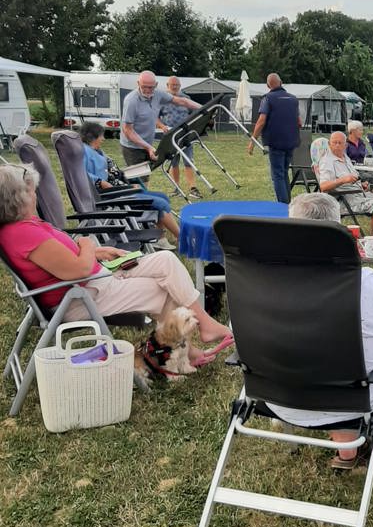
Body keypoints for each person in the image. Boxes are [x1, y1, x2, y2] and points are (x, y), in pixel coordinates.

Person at [0, 164, 230, 352]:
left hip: (94, 280)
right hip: (80, 297)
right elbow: (78, 269)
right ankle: (184, 352)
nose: (36, 194)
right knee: (161, 289)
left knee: (166, 261)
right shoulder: (24, 234)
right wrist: (88, 245)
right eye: (31, 190)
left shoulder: (24, 226)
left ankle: (201, 329)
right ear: (18, 197)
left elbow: (60, 258)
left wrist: (99, 252)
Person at [268, 192, 373, 471]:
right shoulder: (363, 283)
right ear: (339, 231)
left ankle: (346, 446)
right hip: (351, 398)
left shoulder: (261, 281)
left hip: (278, 396)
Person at [80, 121, 179, 248]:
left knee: (162, 197)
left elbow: (113, 172)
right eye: (101, 136)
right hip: (113, 195)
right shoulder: (84, 152)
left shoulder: (97, 150)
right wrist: (100, 182)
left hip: (123, 188)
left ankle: (159, 238)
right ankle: (181, 237)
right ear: (93, 137)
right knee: (161, 203)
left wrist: (129, 184)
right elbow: (81, 173)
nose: (103, 139)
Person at [120, 70, 200, 171]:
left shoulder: (158, 94)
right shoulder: (131, 101)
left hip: (147, 144)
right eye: (144, 86)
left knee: (145, 177)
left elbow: (181, 101)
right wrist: (148, 147)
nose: (148, 90)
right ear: (138, 83)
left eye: (151, 87)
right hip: (132, 147)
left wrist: (204, 108)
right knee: (138, 179)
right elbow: (127, 130)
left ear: (156, 85)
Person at [318, 131, 373, 231]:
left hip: (359, 193)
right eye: (334, 142)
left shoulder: (345, 158)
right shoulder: (327, 161)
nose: (337, 145)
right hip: (345, 199)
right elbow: (323, 186)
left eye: (340, 143)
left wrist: (361, 184)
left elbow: (353, 178)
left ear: (345, 145)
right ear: (329, 144)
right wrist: (342, 180)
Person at [248, 73, 300, 204]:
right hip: (291, 141)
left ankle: (282, 205)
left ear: (267, 85)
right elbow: (299, 122)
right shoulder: (293, 99)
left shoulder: (268, 98)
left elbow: (261, 121)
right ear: (281, 82)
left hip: (276, 142)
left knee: (277, 175)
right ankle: (288, 202)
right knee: (284, 172)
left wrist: (253, 140)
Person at [160, 76, 201, 199]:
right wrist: (162, 126)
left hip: (185, 134)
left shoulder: (186, 99)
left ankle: (193, 188)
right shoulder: (162, 100)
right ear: (167, 85)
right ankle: (176, 188)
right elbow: (155, 116)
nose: (175, 87)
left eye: (177, 85)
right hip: (170, 135)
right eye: (172, 85)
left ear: (180, 86)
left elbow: (194, 114)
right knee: (174, 162)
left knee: (188, 161)